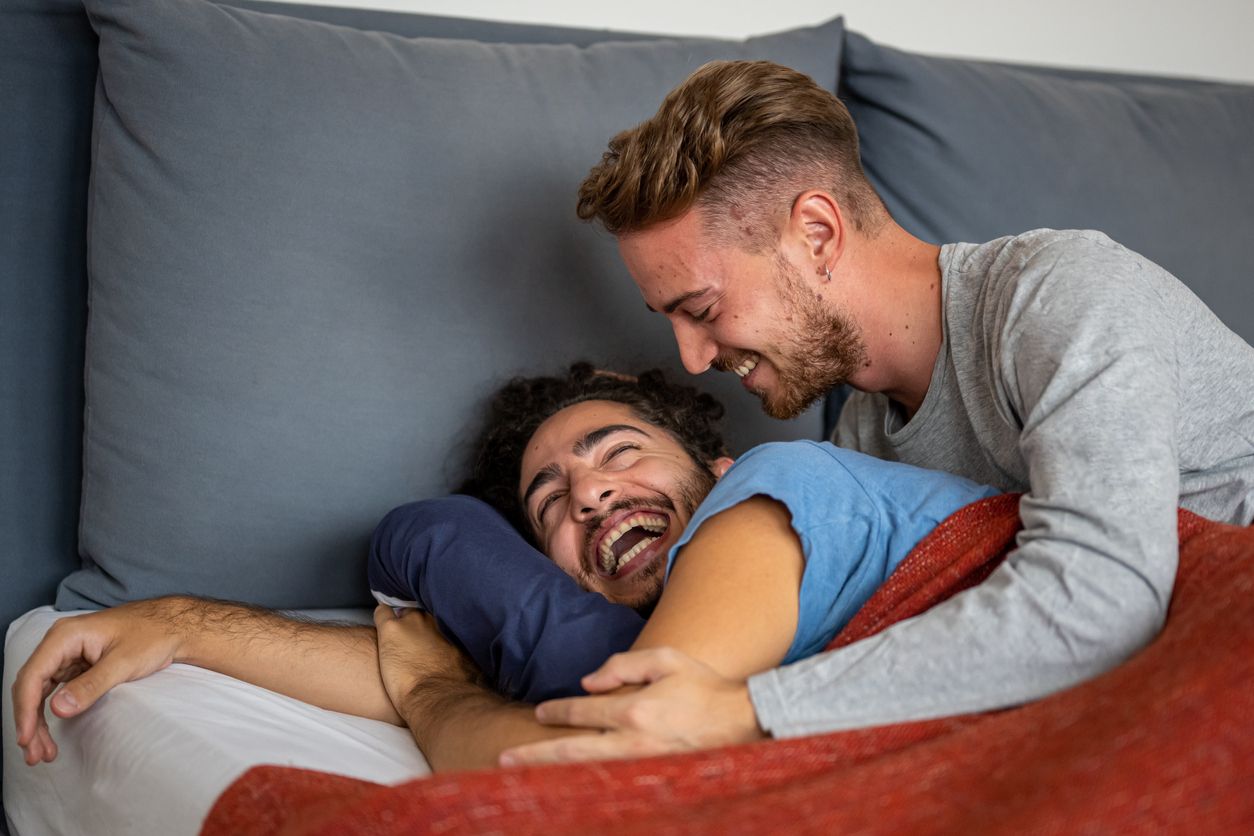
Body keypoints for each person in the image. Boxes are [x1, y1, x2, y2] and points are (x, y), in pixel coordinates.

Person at [492, 58, 1254, 766]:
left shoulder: (1060, 296)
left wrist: (751, 711)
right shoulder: (865, 445)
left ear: (817, 234)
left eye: (702, 308)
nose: (692, 359)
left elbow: (1099, 601)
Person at [11, 364, 997, 771]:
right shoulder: (601, 639)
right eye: (550, 501)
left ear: (718, 471)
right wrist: (182, 623)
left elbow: (612, 750)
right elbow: (414, 670)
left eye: (619, 452)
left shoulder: (779, 486)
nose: (590, 495)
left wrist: (441, 695)